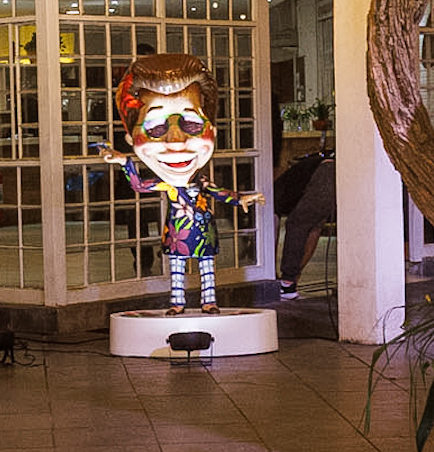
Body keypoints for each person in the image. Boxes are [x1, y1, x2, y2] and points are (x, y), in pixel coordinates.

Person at [94, 53, 264, 311]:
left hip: (203, 232)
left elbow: (219, 192)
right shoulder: (168, 186)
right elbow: (139, 185)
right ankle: (177, 302)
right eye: (155, 127)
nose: (176, 141)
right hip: (177, 235)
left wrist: (241, 198)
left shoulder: (201, 182)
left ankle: (209, 301)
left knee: (207, 267)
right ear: (131, 138)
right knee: (177, 268)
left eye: (192, 124)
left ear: (212, 130)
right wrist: (124, 162)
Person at [273, 145, 336, 299]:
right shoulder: (285, 186)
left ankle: (287, 283)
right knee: (313, 226)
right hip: (329, 169)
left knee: (297, 224)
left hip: (324, 173)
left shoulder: (272, 198)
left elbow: (272, 234)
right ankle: (290, 281)